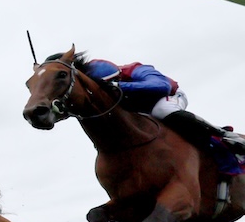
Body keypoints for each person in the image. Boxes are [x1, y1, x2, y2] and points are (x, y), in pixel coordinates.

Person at [80, 57, 245, 154]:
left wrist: (121, 87)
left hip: (169, 96)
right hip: (143, 109)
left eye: (113, 84)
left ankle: (223, 134)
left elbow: (162, 86)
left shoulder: (137, 70)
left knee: (162, 110)